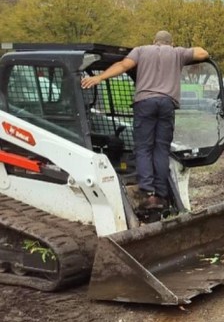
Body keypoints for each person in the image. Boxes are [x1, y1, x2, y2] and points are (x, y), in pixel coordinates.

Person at [81, 30, 209, 213]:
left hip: (144, 103)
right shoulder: (177, 53)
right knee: (161, 149)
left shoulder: (140, 50)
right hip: (167, 103)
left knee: (143, 148)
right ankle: (162, 193)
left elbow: (124, 65)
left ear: (154, 41)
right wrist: (182, 51)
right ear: (170, 43)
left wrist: (98, 78)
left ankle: (148, 193)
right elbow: (203, 53)